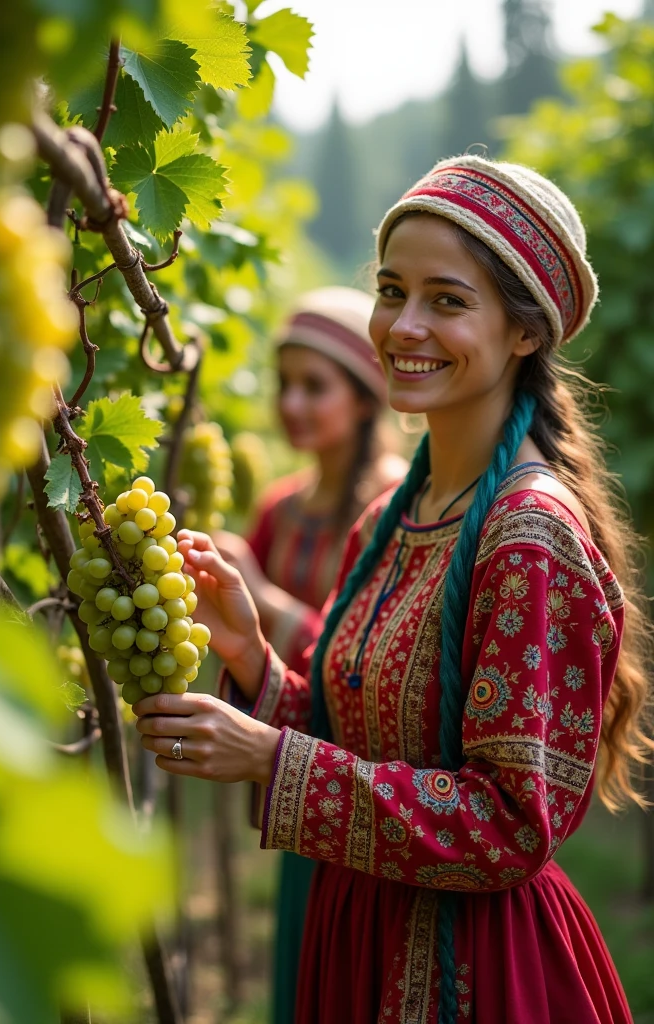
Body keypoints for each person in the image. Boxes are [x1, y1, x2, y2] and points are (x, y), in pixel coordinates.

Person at [135, 156, 653, 1024]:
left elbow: (508, 827)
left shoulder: (531, 539)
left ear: (526, 333)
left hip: (472, 970)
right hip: (361, 931)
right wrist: (249, 656)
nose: (403, 326)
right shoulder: (391, 515)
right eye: (390, 289)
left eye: (447, 300)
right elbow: (367, 735)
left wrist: (270, 757)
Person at [213, 286, 406, 1023]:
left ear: (364, 398)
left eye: (313, 386)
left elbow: (350, 651)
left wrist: (258, 592)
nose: (290, 404)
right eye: (283, 384)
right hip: (298, 771)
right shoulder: (281, 507)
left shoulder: (394, 506)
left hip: (370, 784)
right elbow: (247, 647)